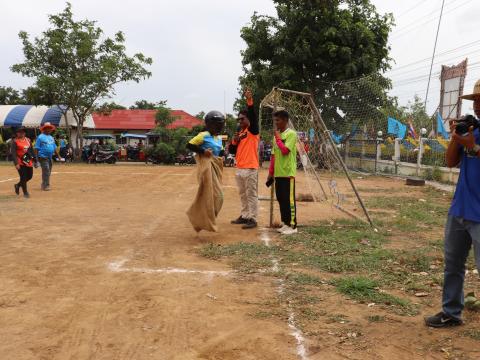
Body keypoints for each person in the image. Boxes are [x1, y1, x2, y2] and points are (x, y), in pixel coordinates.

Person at [425, 79, 480, 328]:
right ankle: (451, 312)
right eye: (475, 101)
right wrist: (456, 138)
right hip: (460, 209)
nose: (477, 105)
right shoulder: (472, 130)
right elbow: (450, 163)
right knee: (453, 265)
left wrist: (475, 148)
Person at [186, 111, 226, 232]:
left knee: (213, 197)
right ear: (210, 124)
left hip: (216, 167)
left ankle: (201, 219)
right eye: (217, 124)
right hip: (207, 169)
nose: (219, 127)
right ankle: (205, 219)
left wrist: (222, 156)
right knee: (218, 196)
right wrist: (203, 152)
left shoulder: (219, 138)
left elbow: (221, 151)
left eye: (221, 124)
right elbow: (189, 145)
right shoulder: (203, 135)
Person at [229, 89, 260, 229]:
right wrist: (234, 141)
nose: (240, 121)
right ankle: (245, 215)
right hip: (240, 168)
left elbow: (253, 115)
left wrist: (249, 101)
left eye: (242, 119)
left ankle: (253, 218)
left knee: (251, 194)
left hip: (250, 168)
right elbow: (231, 151)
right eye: (239, 119)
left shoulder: (253, 130)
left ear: (248, 119)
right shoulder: (240, 133)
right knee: (242, 194)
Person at [267, 110, 298, 235]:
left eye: (278, 120)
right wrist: (270, 172)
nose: (276, 123)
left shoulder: (292, 134)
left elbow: (285, 151)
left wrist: (278, 139)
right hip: (278, 173)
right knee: (281, 199)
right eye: (275, 120)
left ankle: (293, 226)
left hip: (288, 173)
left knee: (289, 200)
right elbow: (274, 156)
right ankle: (285, 223)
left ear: (285, 120)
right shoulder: (276, 136)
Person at [11, 127, 38, 198]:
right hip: (20, 161)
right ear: (17, 133)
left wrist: (35, 161)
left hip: (28, 160)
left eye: (22, 132)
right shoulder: (15, 141)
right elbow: (13, 153)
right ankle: (25, 192)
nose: (21, 133)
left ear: (25, 133)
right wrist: (16, 163)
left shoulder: (28, 140)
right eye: (19, 132)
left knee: (29, 176)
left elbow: (31, 151)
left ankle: (18, 185)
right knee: (23, 177)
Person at [34, 122, 62, 191]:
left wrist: (58, 156)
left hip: (50, 157)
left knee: (48, 172)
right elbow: (36, 148)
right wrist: (36, 159)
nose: (49, 130)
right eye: (48, 128)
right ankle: (46, 185)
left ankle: (44, 184)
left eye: (50, 128)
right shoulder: (40, 137)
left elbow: (54, 147)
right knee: (46, 170)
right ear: (44, 129)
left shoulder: (51, 138)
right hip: (42, 157)